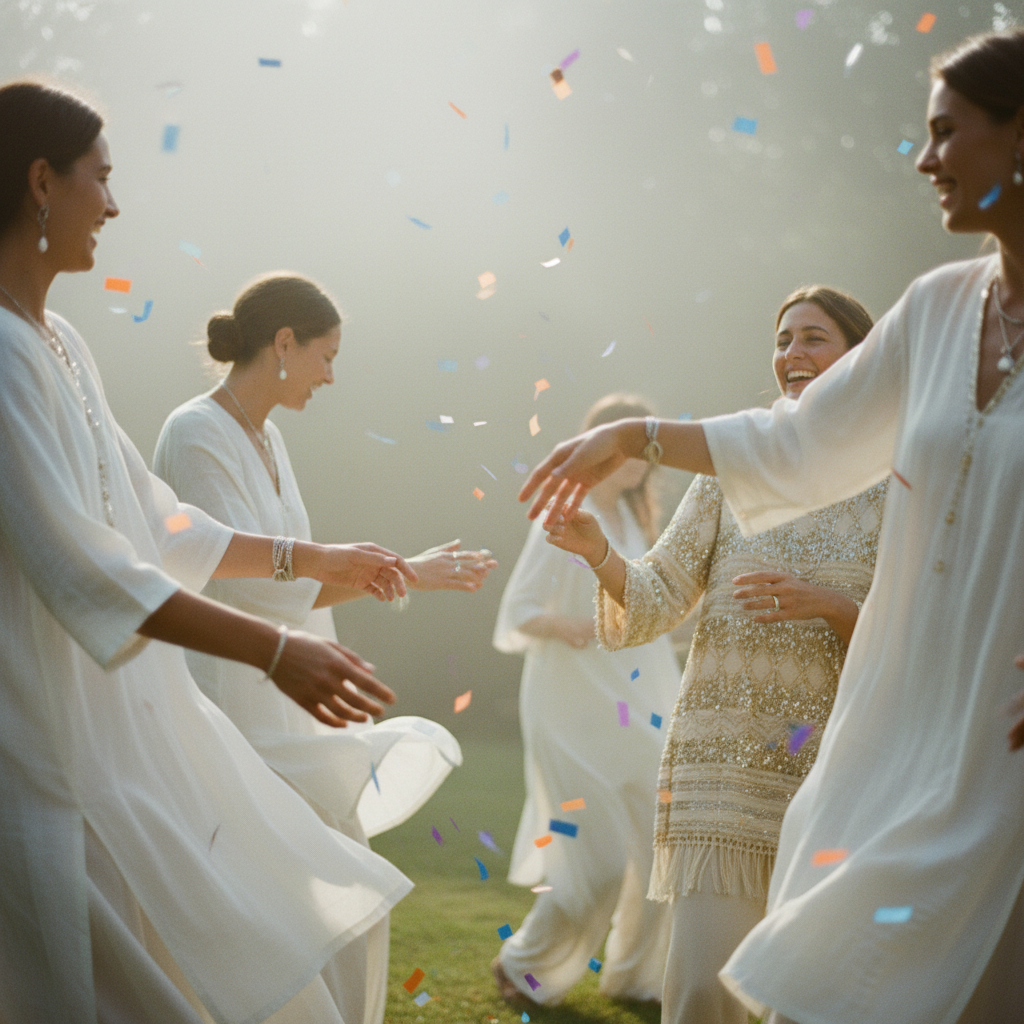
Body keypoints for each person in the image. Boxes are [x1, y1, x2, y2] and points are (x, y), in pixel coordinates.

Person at [520, 26, 1024, 1024]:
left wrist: (825, 603)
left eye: (946, 132)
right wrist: (632, 437)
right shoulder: (937, 309)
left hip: (998, 727)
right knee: (822, 988)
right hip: (883, 732)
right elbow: (791, 444)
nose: (924, 159)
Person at [0, 80, 421, 1024]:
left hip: (124, 736)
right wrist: (272, 648)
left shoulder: (62, 342)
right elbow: (81, 565)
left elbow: (158, 525)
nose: (114, 204)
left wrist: (319, 561)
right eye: (101, 178)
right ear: (41, 181)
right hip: (39, 738)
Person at [153, 272, 498, 1024]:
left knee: (344, 891)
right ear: (285, 343)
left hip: (296, 698)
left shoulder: (269, 438)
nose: (332, 376)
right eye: (327, 355)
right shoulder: (195, 430)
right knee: (259, 904)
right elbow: (236, 580)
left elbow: (296, 587)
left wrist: (409, 572)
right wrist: (386, 568)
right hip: (233, 695)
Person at [542, 295, 886, 1024]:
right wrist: (599, 553)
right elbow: (656, 597)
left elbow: (917, 635)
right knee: (705, 988)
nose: (792, 354)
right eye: (783, 339)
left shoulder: (901, 479)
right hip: (719, 768)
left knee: (817, 997)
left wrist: (829, 604)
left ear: (862, 356)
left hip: (835, 770)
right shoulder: (730, 465)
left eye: (814, 338)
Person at [490, 394, 679, 1007]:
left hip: (636, 706)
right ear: (596, 449)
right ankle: (522, 965)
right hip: (572, 708)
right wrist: (573, 625)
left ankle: (635, 975)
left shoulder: (636, 522)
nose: (638, 460)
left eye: (645, 449)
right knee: (595, 861)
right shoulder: (565, 515)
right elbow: (519, 612)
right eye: (626, 447)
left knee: (663, 847)